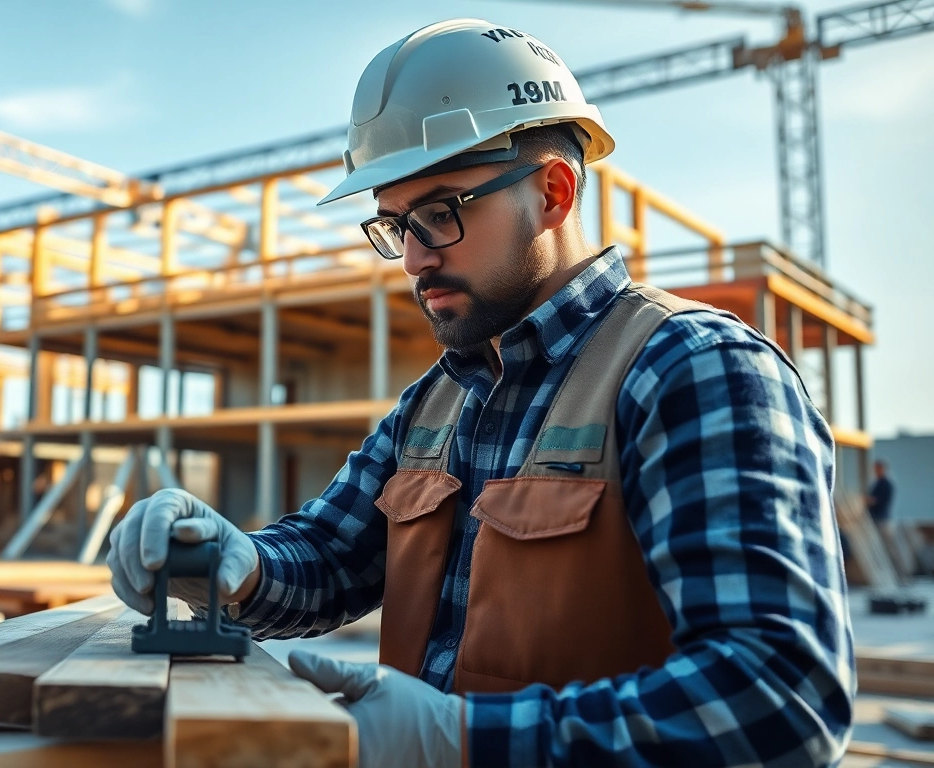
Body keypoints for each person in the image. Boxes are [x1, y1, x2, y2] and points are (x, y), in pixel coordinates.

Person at [109, 18, 852, 767]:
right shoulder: (437, 401)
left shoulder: (694, 370)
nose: (412, 259)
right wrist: (235, 565)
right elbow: (333, 559)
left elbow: (779, 697)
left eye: (439, 214)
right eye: (395, 226)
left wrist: (460, 739)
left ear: (553, 193)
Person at [867, 460, 894, 525]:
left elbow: (878, 500)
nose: (875, 471)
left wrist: (865, 500)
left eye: (877, 469)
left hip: (881, 519)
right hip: (876, 517)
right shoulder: (878, 483)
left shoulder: (885, 484)